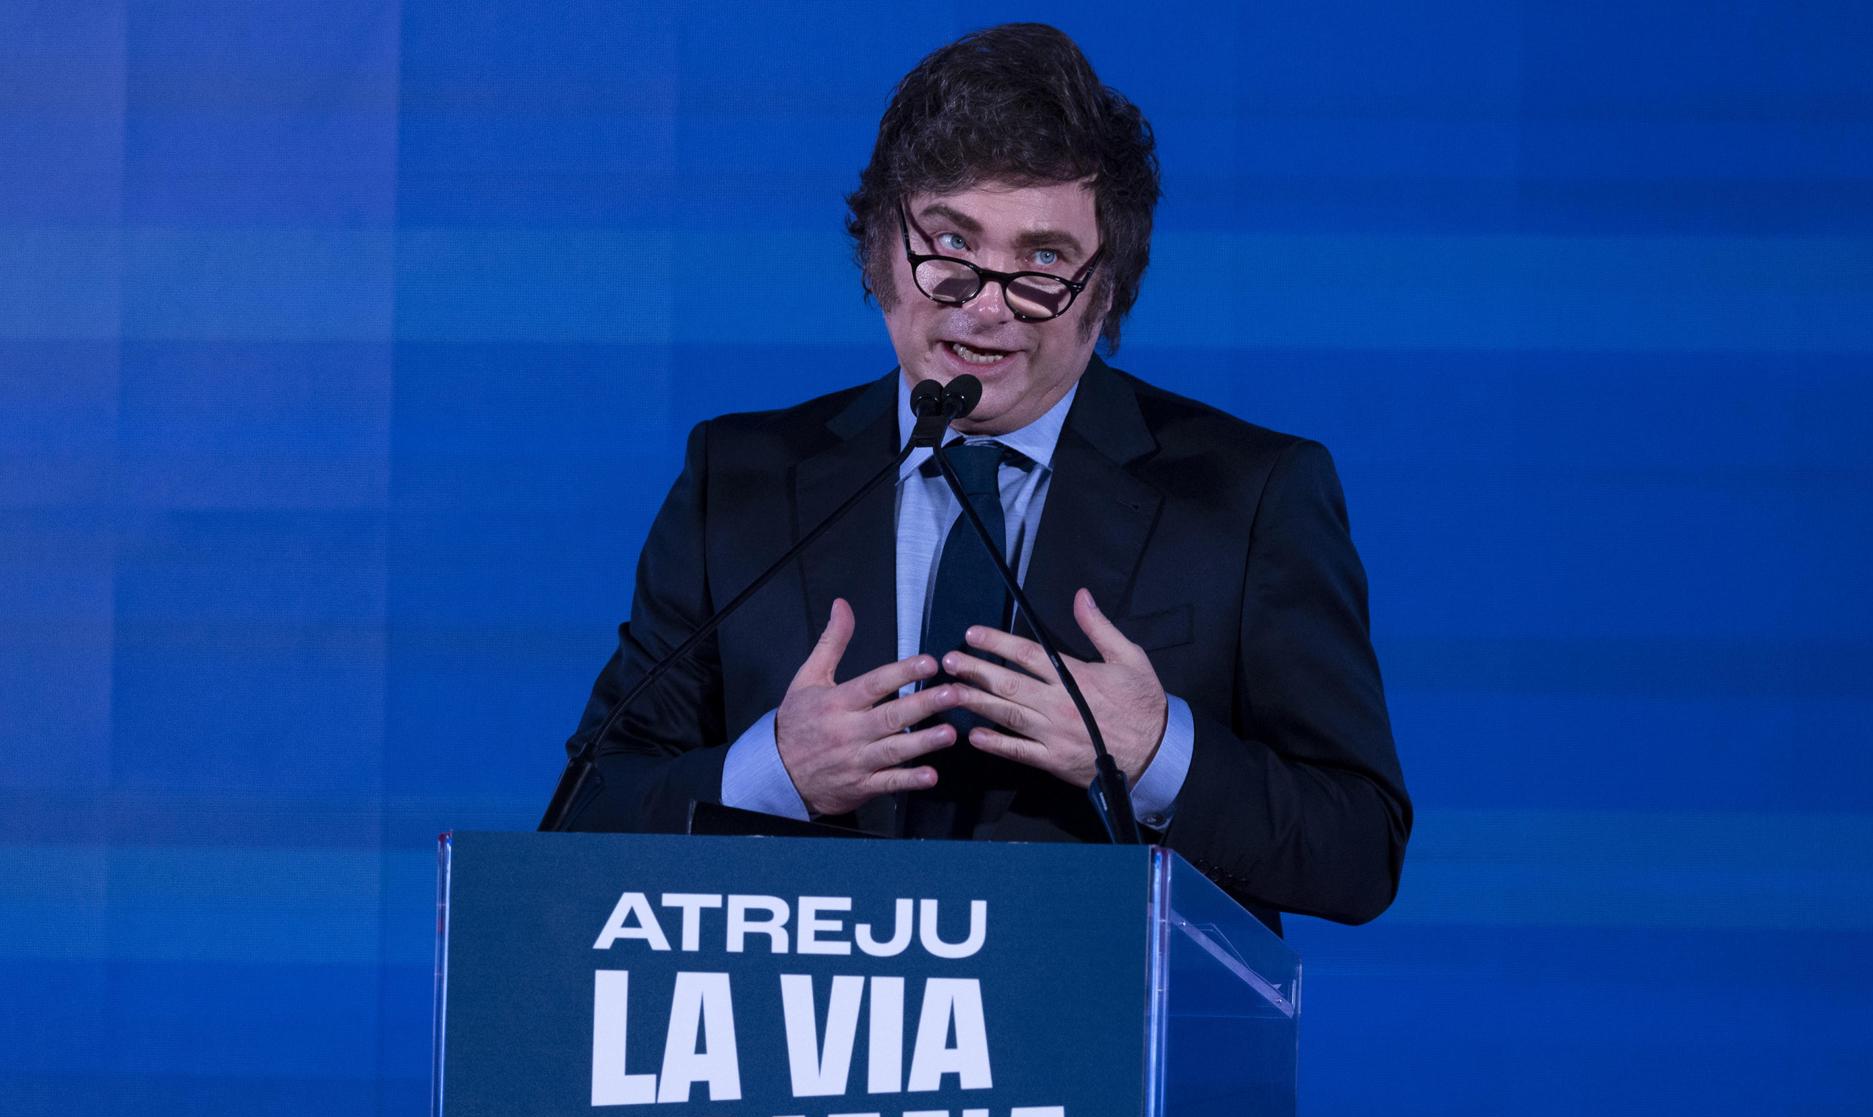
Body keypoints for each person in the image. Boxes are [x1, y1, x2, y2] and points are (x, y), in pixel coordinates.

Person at [557, 23, 1410, 934]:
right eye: (952, 245)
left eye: (1043, 260)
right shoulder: (742, 480)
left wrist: (1156, 751)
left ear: (1108, 285)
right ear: (881, 252)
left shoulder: (1250, 496)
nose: (989, 306)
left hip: (1095, 1058)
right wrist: (773, 771)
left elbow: (1358, 851)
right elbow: (581, 822)